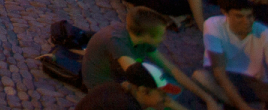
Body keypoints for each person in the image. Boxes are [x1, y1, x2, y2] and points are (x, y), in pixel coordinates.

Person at [82, 6, 221, 108]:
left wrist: (208, 98)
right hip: (106, 88)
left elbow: (172, 69)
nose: (164, 38)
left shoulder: (141, 39)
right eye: (162, 34)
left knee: (173, 86)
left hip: (126, 80)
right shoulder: (118, 44)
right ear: (148, 35)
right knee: (160, 97)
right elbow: (138, 77)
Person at [193, 0, 268, 109]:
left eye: (250, 16)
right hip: (223, 78)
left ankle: (225, 102)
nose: (246, 21)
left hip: (252, 81)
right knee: (200, 77)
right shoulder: (213, 25)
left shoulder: (263, 32)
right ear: (225, 13)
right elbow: (219, 73)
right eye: (239, 16)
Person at [74, 62, 171, 110]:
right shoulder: (127, 106)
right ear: (143, 90)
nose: (168, 100)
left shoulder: (117, 89)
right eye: (163, 95)